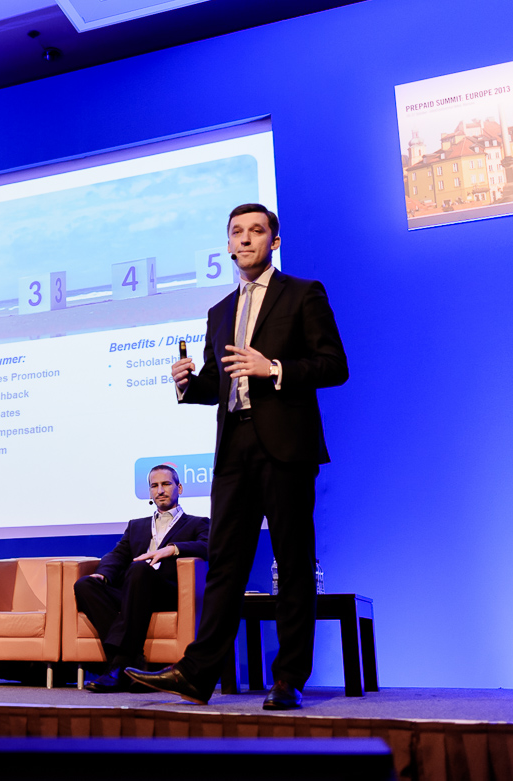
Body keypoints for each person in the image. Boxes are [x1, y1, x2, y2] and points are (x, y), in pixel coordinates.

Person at [128, 203, 348, 710]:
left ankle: (288, 678)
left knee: (292, 561)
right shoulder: (220, 312)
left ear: (274, 240)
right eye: (237, 232)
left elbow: (334, 365)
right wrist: (188, 385)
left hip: (286, 445)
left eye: (256, 230)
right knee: (225, 562)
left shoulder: (303, 293)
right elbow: (218, 383)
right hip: (234, 449)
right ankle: (198, 673)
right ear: (228, 245)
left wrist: (274, 367)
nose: (245, 239)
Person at [73, 464, 209, 693]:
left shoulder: (197, 523)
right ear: (150, 492)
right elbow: (118, 555)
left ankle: (118, 666)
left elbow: (207, 546)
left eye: (166, 484)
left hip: (165, 592)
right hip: (133, 591)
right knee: (85, 585)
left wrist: (172, 549)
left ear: (179, 488)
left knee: (139, 569)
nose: (160, 490)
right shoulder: (136, 526)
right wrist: (102, 574)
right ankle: (133, 662)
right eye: (154, 486)